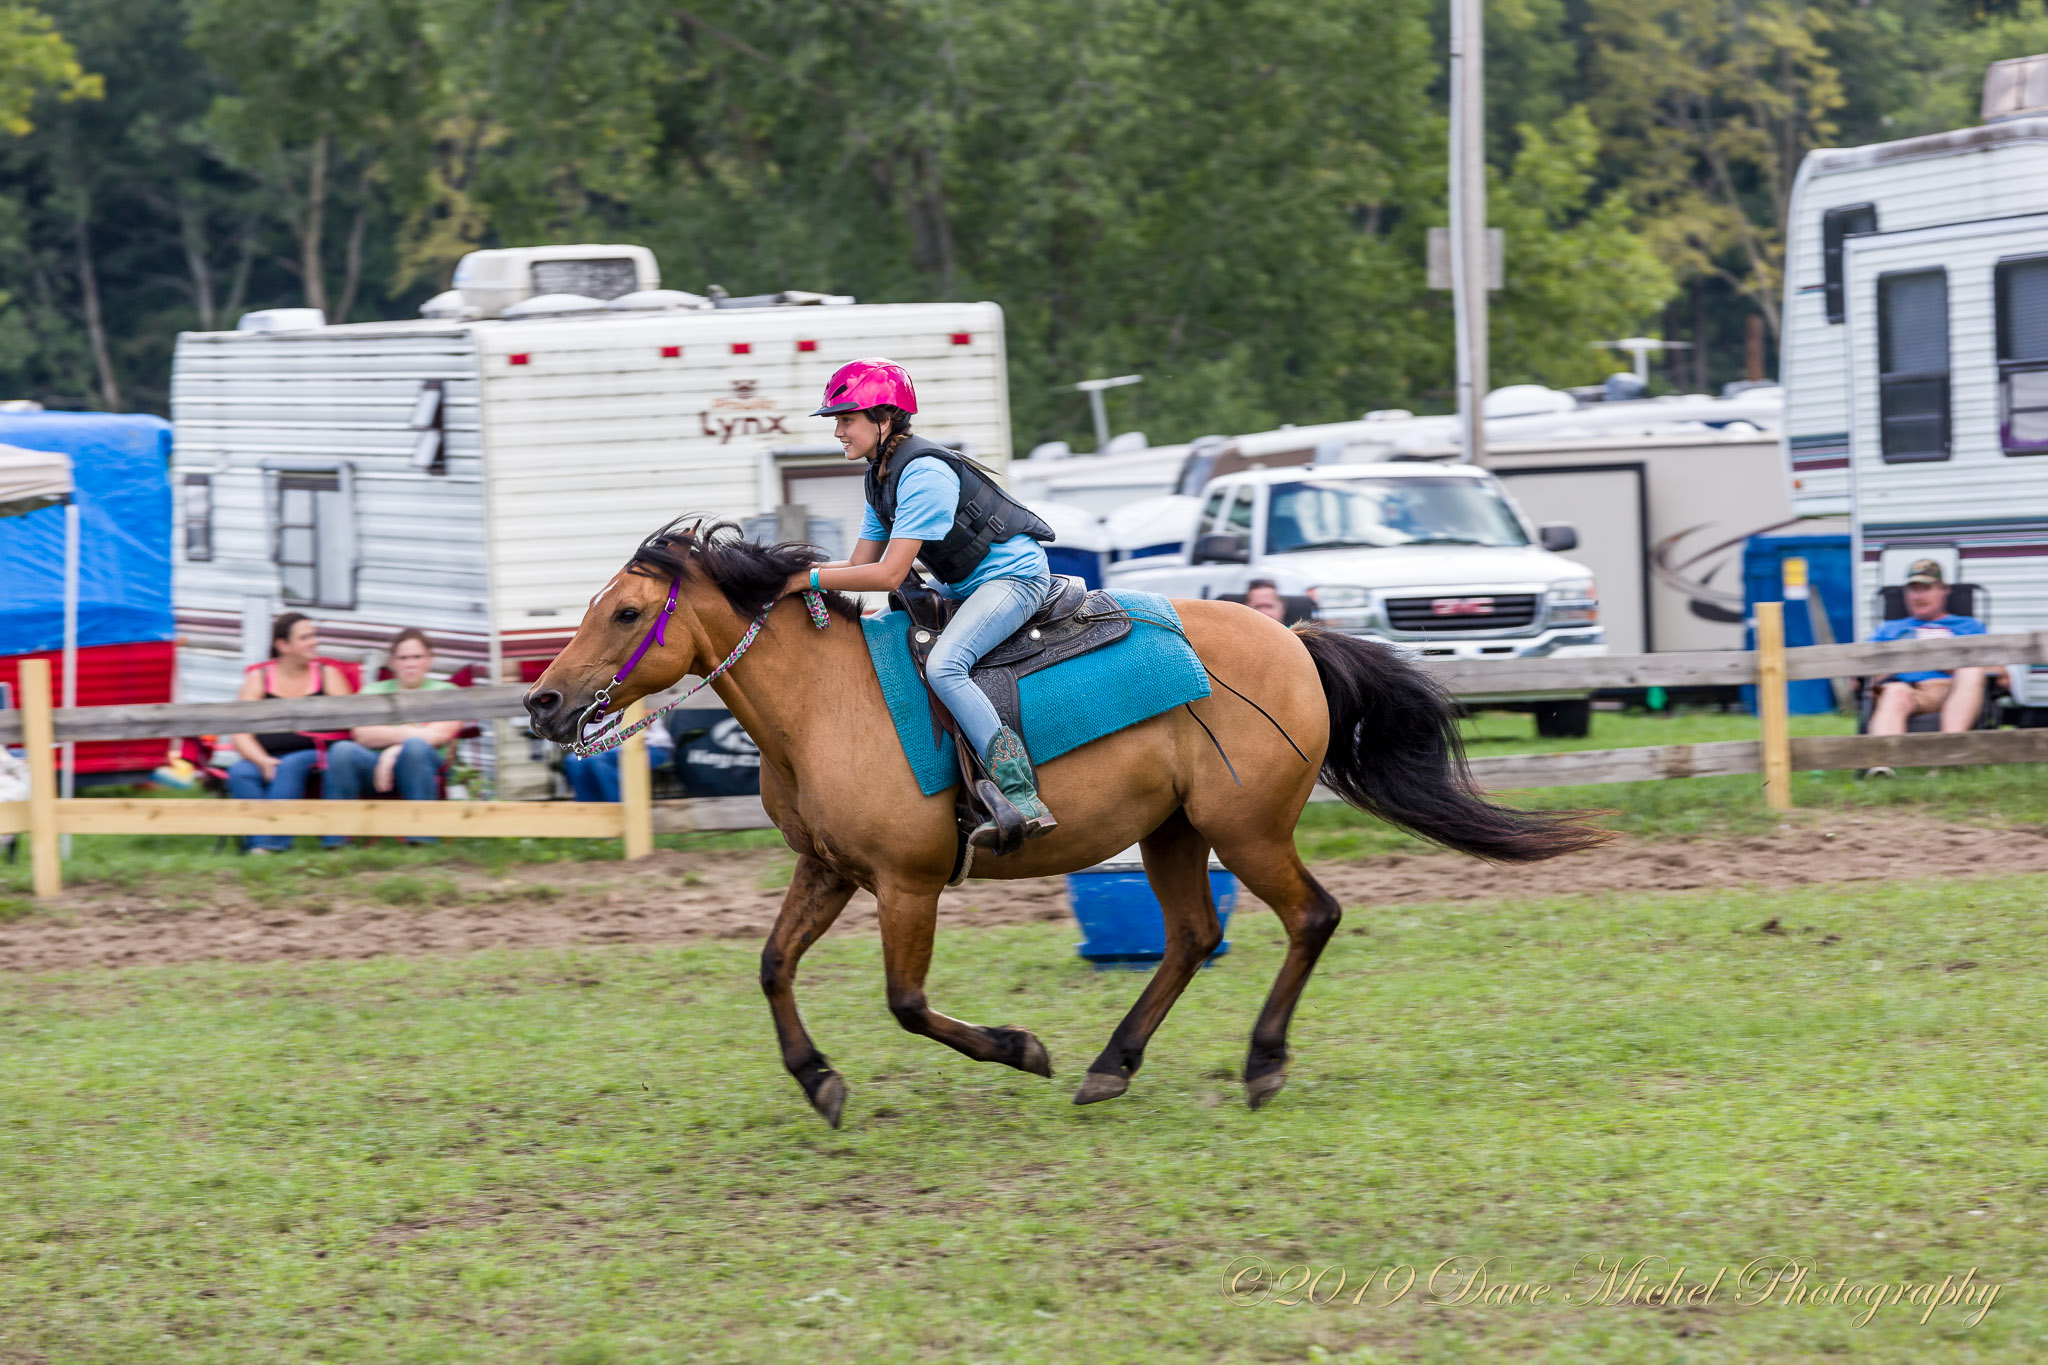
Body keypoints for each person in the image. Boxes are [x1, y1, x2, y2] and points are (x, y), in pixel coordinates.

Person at [783, 357, 1060, 841]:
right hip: (967, 585)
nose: (838, 432)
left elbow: (889, 574)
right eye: (836, 421)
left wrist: (809, 579)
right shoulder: (880, 477)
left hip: (1015, 579)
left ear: (883, 419)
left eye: (846, 419)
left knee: (946, 666)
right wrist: (793, 577)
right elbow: (859, 562)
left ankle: (1020, 794)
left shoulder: (924, 473)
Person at [225, 613, 361, 852]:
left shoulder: (327, 674)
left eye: (314, 636)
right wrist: (262, 761)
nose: (314, 642)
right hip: (266, 754)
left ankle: (272, 844)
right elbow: (240, 733)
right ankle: (257, 845)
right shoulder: (259, 678)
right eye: (305, 638)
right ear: (283, 645)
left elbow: (352, 720)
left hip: (315, 752)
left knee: (290, 765)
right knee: (240, 772)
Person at [327, 629, 470, 840]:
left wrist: (392, 752)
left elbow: (437, 736)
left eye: (417, 657)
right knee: (342, 750)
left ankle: (421, 838)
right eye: (403, 658)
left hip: (422, 765)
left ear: (429, 659)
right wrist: (409, 738)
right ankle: (337, 839)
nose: (410, 664)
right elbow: (362, 734)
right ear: (392, 662)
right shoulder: (373, 691)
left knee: (415, 748)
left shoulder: (447, 691)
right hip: (373, 766)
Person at [1863, 559, 2002, 774]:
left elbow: (2000, 673)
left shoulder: (1969, 626)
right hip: (1907, 690)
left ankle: (1948, 758)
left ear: (1943, 590)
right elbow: (1858, 679)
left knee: (1971, 671)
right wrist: (1901, 656)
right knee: (1893, 692)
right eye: (1913, 589)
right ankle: (1882, 766)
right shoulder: (1889, 630)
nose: (1918, 596)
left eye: (1926, 588)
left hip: (1954, 689)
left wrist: (1945, 660)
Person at [561, 720, 674, 802]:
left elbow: (642, 719)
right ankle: (589, 813)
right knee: (574, 761)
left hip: (651, 746)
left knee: (599, 760)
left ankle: (619, 809)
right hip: (605, 749)